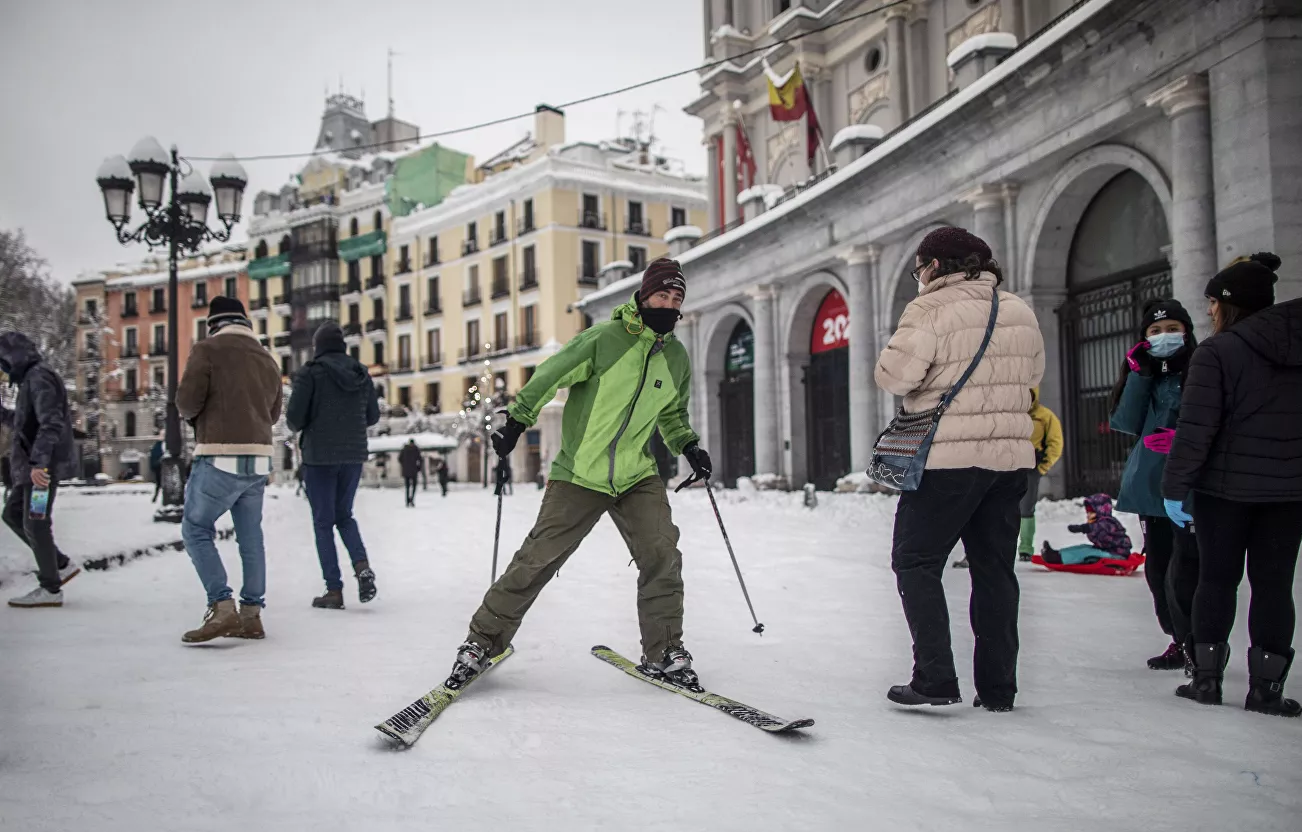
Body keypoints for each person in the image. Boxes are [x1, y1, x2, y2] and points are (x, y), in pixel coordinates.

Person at [447, 257, 711, 688]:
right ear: (644, 296)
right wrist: (518, 419)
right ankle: (481, 642)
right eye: (662, 294)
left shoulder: (676, 358)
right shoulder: (604, 340)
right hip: (578, 474)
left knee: (662, 554)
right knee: (536, 559)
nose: (669, 303)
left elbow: (674, 415)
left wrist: (689, 446)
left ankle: (665, 652)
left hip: (635, 475)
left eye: (677, 297)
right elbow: (552, 372)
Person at [874, 227, 1045, 712]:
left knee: (916, 561)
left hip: (947, 461)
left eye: (919, 269)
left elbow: (894, 375)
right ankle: (998, 689)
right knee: (995, 571)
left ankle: (935, 677)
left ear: (935, 266)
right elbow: (1032, 379)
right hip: (1008, 463)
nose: (918, 278)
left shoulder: (929, 309)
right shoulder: (1018, 309)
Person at [1163, 252, 1302, 717]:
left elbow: (1196, 428)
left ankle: (1206, 681)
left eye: (1211, 303)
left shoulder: (1217, 352)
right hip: (1288, 493)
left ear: (1229, 303)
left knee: (1217, 579)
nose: (1208, 312)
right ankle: (1265, 690)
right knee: (1274, 586)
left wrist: (1174, 487)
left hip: (1223, 492)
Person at [174, 297, 283, 643]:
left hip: (220, 454)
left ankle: (221, 606)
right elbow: (275, 411)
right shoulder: (267, 359)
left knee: (195, 528)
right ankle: (252, 615)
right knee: (251, 536)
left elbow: (187, 401)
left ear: (214, 324)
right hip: (259, 458)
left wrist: (198, 418)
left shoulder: (207, 350)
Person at [1108, 298, 1200, 671]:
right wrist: (1139, 376)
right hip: (1150, 486)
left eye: (1172, 329)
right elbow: (1126, 422)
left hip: (1190, 486)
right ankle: (1177, 638)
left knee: (1188, 569)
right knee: (1158, 569)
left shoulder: (1201, 367)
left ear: (1186, 332)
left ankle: (1199, 643)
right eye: (1155, 331)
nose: (1164, 337)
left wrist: (1179, 438)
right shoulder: (1145, 373)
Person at [286, 321, 381, 609]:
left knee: (323, 522)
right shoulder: (361, 374)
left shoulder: (310, 374)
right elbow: (373, 416)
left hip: (319, 458)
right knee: (345, 516)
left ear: (318, 347)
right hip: (352, 456)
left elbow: (294, 420)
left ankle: (334, 589)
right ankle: (362, 566)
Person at [0, 331, 81, 607]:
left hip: (40, 471)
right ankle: (58, 564)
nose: (3, 368)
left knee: (36, 522)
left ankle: (50, 588)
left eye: (3, 361)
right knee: (12, 514)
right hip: (31, 470)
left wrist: (39, 463)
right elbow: (25, 425)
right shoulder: (30, 380)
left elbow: (51, 423)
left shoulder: (39, 377)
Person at [954, 387, 1061, 568]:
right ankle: (980, 552)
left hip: (1029, 469)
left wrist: (1042, 467)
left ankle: (1025, 548)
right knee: (990, 509)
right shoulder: (1007, 414)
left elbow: (1055, 443)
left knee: (1026, 508)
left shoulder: (1044, 416)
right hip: (1001, 467)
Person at [1040, 494, 1132, 564]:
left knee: (1086, 552)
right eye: (1088, 512)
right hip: (1107, 551)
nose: (1088, 515)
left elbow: (1098, 528)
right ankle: (1057, 554)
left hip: (1117, 556)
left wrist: (1082, 528)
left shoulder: (1107, 522)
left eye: (1091, 512)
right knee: (1083, 547)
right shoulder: (1100, 521)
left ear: (1100, 511)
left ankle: (1058, 559)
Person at [399, 438, 421, 507]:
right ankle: (412, 500)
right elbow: (420, 460)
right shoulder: (416, 449)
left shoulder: (404, 449)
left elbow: (399, 459)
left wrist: (404, 465)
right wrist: (418, 468)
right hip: (414, 471)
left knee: (407, 487)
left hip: (406, 471)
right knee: (414, 486)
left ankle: (407, 501)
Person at [149, 433, 164, 503]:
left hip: (157, 468)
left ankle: (155, 497)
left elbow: (152, 459)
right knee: (163, 484)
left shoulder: (155, 447)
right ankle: (162, 497)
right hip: (161, 467)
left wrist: (152, 468)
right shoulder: (162, 447)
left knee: (158, 484)